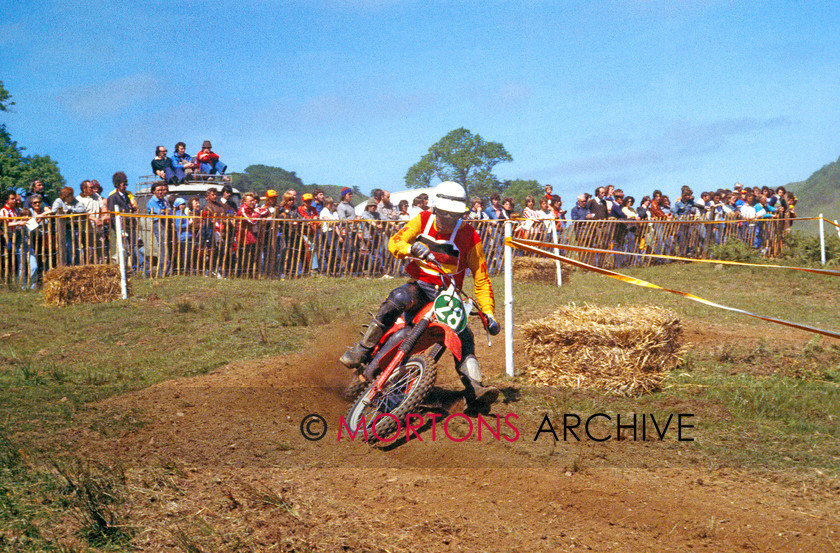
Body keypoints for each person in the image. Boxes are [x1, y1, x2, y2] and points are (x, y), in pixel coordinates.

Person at [340, 181, 501, 409]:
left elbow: (482, 277)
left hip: (449, 296)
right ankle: (363, 348)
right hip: (421, 287)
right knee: (398, 297)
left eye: (454, 215)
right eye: (444, 214)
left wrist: (488, 313)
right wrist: (411, 248)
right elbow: (396, 242)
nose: (448, 220)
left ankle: (475, 390)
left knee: (465, 336)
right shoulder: (423, 219)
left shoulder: (469, 235)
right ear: (436, 209)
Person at [107, 171, 144, 273]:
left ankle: (138, 267)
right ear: (117, 185)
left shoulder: (127, 196)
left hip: (131, 225)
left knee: (135, 246)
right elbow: (112, 215)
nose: (125, 186)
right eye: (124, 184)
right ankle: (122, 269)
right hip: (121, 227)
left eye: (126, 184)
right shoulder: (112, 197)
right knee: (122, 248)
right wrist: (120, 229)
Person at [146, 182, 172, 277]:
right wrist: (165, 211)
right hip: (158, 223)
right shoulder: (152, 202)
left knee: (166, 246)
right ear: (153, 191)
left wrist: (166, 211)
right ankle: (163, 272)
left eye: (162, 190)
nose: (161, 192)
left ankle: (167, 271)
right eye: (158, 190)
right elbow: (161, 212)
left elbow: (169, 211)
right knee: (163, 247)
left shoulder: (163, 200)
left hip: (165, 222)